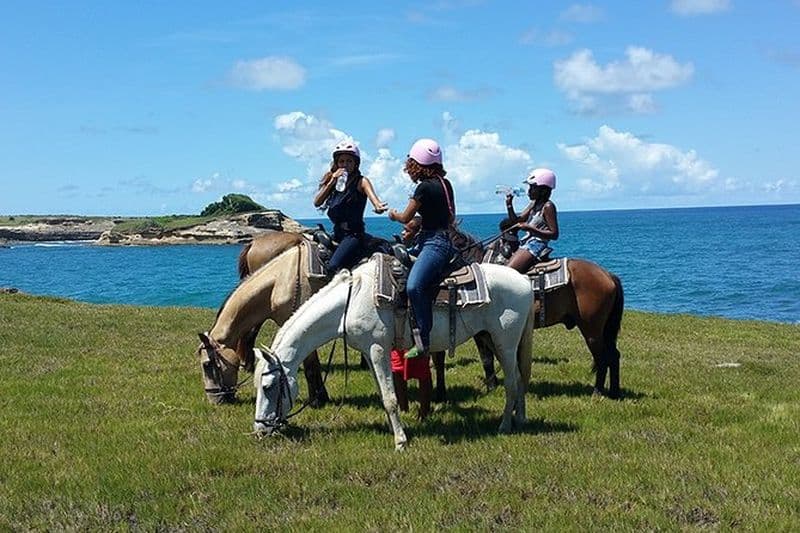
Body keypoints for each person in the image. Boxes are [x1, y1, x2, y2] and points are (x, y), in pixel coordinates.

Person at [388, 138, 455, 359]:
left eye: (410, 166)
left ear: (417, 164)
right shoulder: (445, 184)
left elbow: (406, 217)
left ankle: (422, 340)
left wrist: (393, 214)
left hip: (434, 243)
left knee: (414, 286)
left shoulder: (424, 187)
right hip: (437, 239)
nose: (409, 171)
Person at [313, 140, 388, 274]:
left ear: (356, 164)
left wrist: (378, 206)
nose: (345, 165)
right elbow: (317, 202)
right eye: (341, 161)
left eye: (349, 161)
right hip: (337, 233)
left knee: (333, 266)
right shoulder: (334, 182)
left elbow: (374, 199)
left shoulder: (361, 181)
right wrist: (332, 182)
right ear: (336, 163)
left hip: (353, 235)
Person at [505, 168, 559, 273]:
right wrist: (509, 204)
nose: (529, 191)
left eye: (532, 187)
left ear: (543, 190)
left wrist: (530, 228)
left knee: (508, 272)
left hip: (536, 244)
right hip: (526, 241)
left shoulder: (548, 206)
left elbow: (554, 234)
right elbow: (516, 221)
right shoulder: (533, 204)